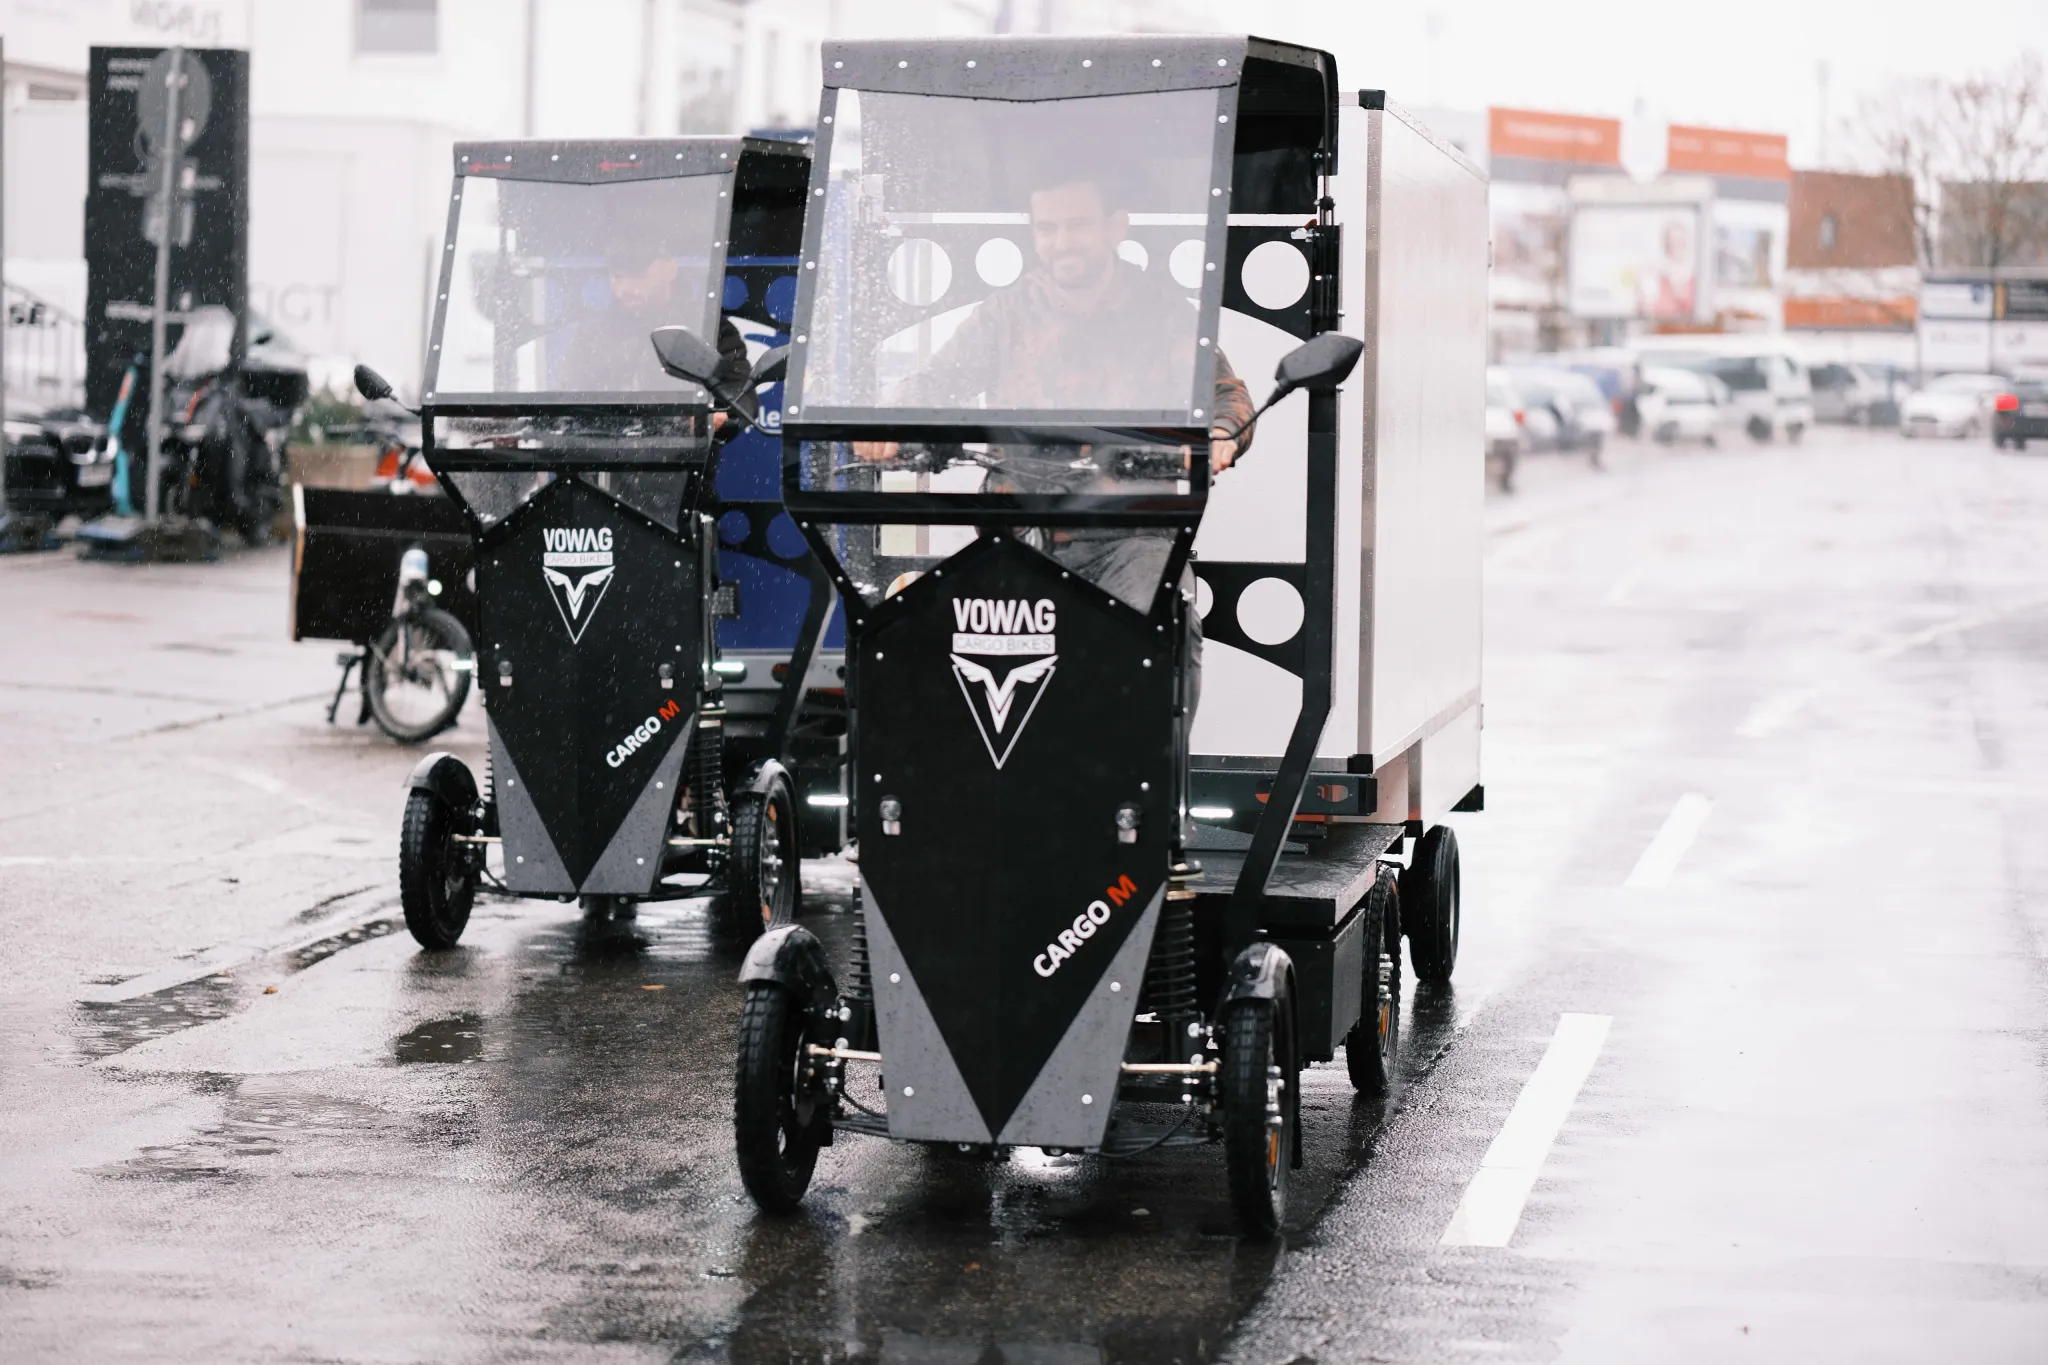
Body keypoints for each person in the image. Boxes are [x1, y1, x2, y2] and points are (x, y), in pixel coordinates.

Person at [852, 174, 1256, 611]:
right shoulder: (1006, 316)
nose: (1062, 242)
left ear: (1115, 227)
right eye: (1047, 228)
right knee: (947, 625)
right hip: (1019, 532)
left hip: (1129, 538)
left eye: (1078, 225)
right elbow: (935, 381)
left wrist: (1221, 435)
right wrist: (886, 421)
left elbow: (1224, 396)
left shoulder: (1161, 315)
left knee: (1157, 613)